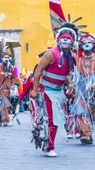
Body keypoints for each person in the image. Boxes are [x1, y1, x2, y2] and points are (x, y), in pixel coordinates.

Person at [30, 23, 77, 157]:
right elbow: (38, 71)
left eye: (68, 38)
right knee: (52, 119)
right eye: (63, 38)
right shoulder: (50, 53)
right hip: (47, 91)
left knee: (55, 119)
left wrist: (70, 84)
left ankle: (47, 143)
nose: (65, 40)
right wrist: (34, 90)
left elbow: (65, 71)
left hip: (59, 92)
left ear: (72, 41)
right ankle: (49, 146)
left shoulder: (70, 56)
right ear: (58, 39)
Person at [71, 33, 95, 144]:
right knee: (79, 111)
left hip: (94, 92)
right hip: (79, 90)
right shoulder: (76, 58)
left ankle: (85, 132)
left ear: (94, 45)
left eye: (90, 43)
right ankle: (87, 134)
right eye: (85, 43)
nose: (87, 45)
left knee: (91, 113)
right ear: (81, 45)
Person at [0, 52, 16, 126]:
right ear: (1, 58)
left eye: (8, 58)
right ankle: (6, 121)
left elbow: (13, 78)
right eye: (5, 57)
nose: (6, 59)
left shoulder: (10, 67)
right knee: (4, 104)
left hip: (7, 90)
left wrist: (13, 85)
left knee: (2, 105)